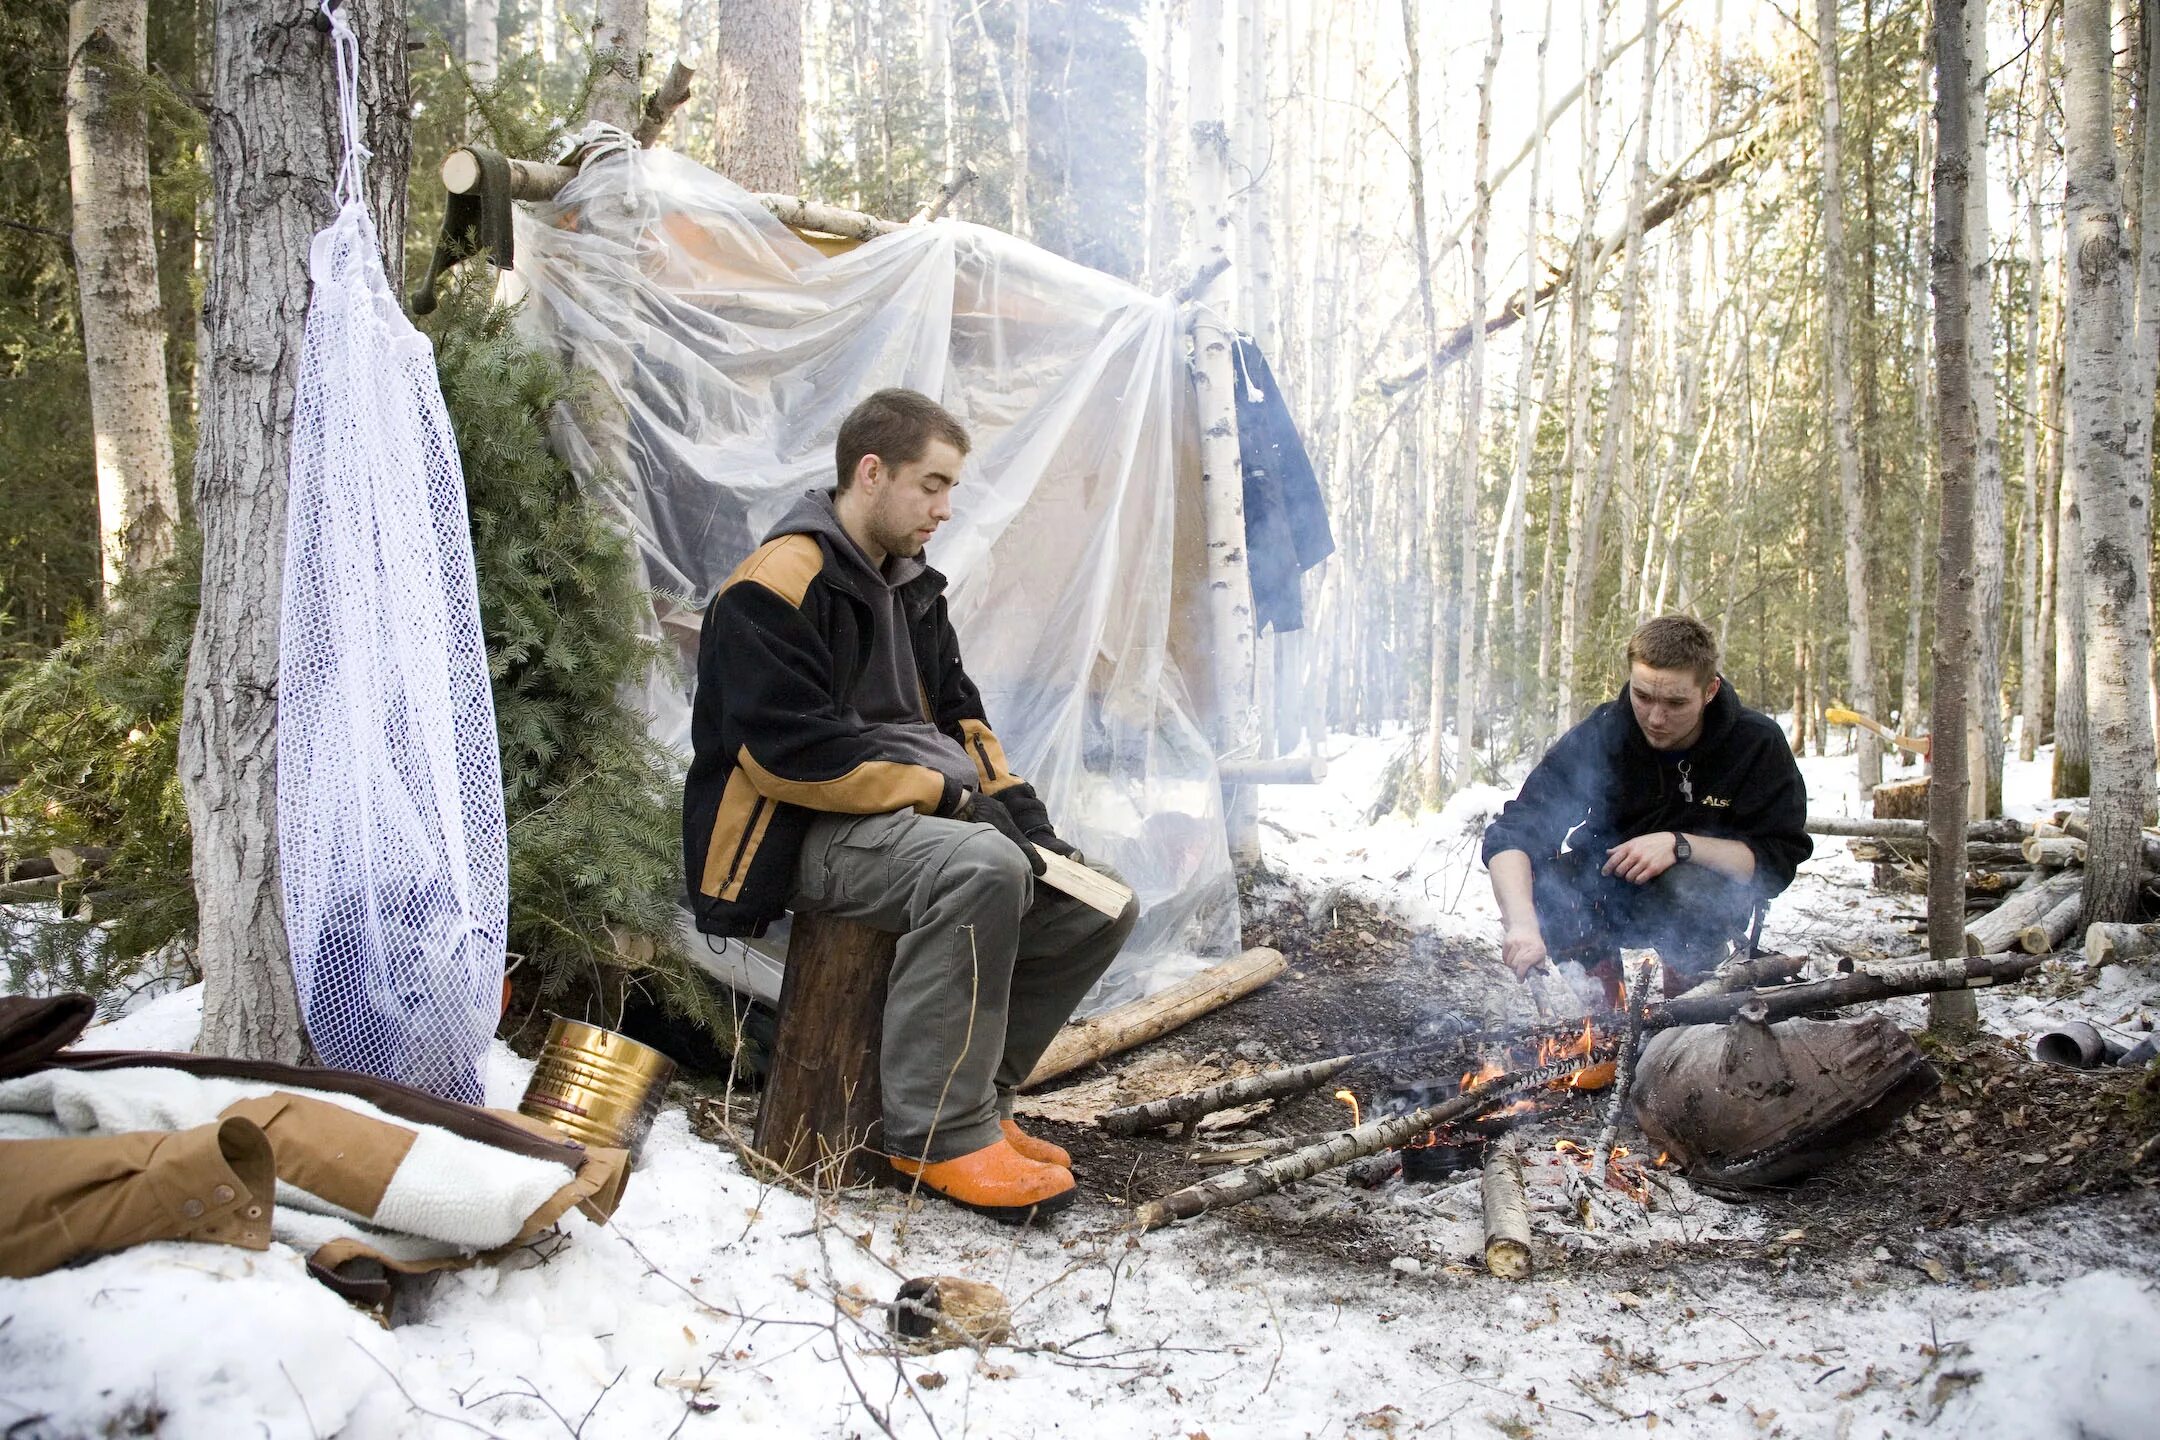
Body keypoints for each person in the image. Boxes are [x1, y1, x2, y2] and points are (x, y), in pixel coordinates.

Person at [682, 389, 1138, 1223]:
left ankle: (984, 1104)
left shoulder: (913, 588)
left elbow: (964, 722)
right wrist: (945, 797)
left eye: (951, 488)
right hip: (798, 833)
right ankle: (938, 1135)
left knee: (1095, 902)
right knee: (982, 868)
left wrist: (1027, 821)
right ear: (871, 472)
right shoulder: (774, 585)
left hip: (906, 819)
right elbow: (787, 757)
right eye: (931, 484)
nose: (945, 508)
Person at [1481, 615, 1810, 1002]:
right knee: (1553, 888)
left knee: (1688, 885)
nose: (1655, 718)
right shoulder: (1605, 732)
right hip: (1605, 887)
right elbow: (1517, 830)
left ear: (1709, 690)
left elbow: (1776, 861)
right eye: (1643, 696)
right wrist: (1522, 923)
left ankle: (1688, 1011)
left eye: (1675, 703)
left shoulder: (1755, 744)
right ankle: (1603, 1019)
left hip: (1699, 901)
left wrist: (1680, 845)